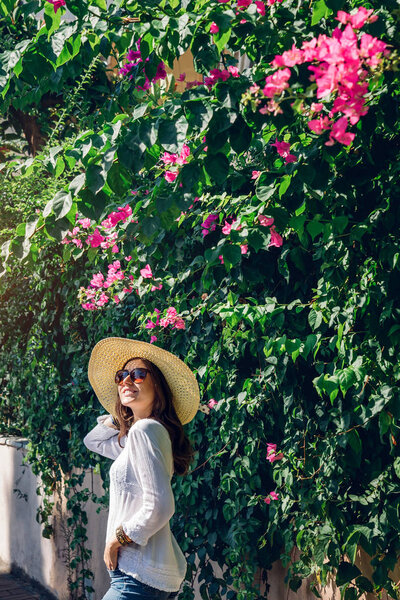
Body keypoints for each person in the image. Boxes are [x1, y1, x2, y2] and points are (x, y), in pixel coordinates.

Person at [83, 337, 200, 599]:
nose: (126, 380)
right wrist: (121, 412)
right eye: (121, 376)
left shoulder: (145, 431)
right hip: (143, 576)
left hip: (135, 576)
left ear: (157, 385)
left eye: (137, 374)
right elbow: (92, 441)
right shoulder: (143, 433)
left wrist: (117, 539)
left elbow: (161, 505)